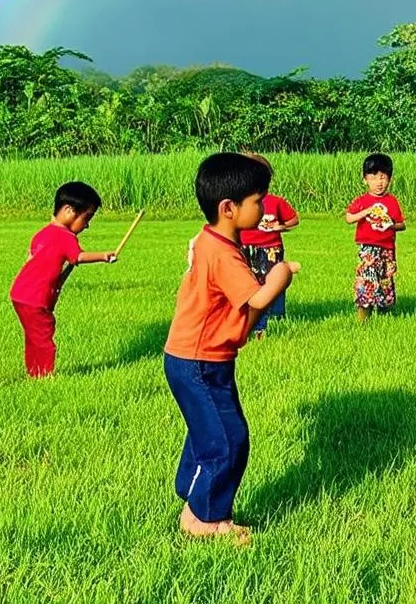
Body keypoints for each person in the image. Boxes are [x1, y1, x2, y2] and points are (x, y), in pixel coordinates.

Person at [163, 152, 299, 542]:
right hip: (199, 361)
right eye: (258, 200)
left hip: (198, 357)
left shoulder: (211, 239)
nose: (263, 208)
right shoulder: (223, 253)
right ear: (229, 207)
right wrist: (282, 274)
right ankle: (205, 519)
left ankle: (193, 490)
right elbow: (257, 301)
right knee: (229, 439)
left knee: (209, 432)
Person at [9, 181, 118, 377]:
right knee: (43, 338)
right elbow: (78, 257)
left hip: (20, 294)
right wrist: (103, 256)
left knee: (34, 337)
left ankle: (34, 372)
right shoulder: (65, 236)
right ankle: (44, 376)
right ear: (69, 210)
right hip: (35, 298)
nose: (87, 226)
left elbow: (32, 259)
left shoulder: (43, 232)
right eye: (87, 218)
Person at [239, 153, 299, 338]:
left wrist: (280, 226)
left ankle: (276, 315)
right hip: (247, 247)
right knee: (251, 284)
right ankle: (250, 319)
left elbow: (293, 220)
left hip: (271, 249)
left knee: (275, 281)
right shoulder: (240, 200)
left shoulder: (275, 201)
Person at [345, 153, 405, 323]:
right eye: (373, 178)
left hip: (387, 249)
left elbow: (401, 224)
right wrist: (366, 211)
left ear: (389, 179)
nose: (379, 182)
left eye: (383, 177)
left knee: (386, 279)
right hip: (368, 248)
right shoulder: (363, 201)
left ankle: (386, 316)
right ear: (365, 179)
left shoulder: (392, 201)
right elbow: (349, 218)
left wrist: (390, 224)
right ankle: (364, 318)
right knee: (367, 280)